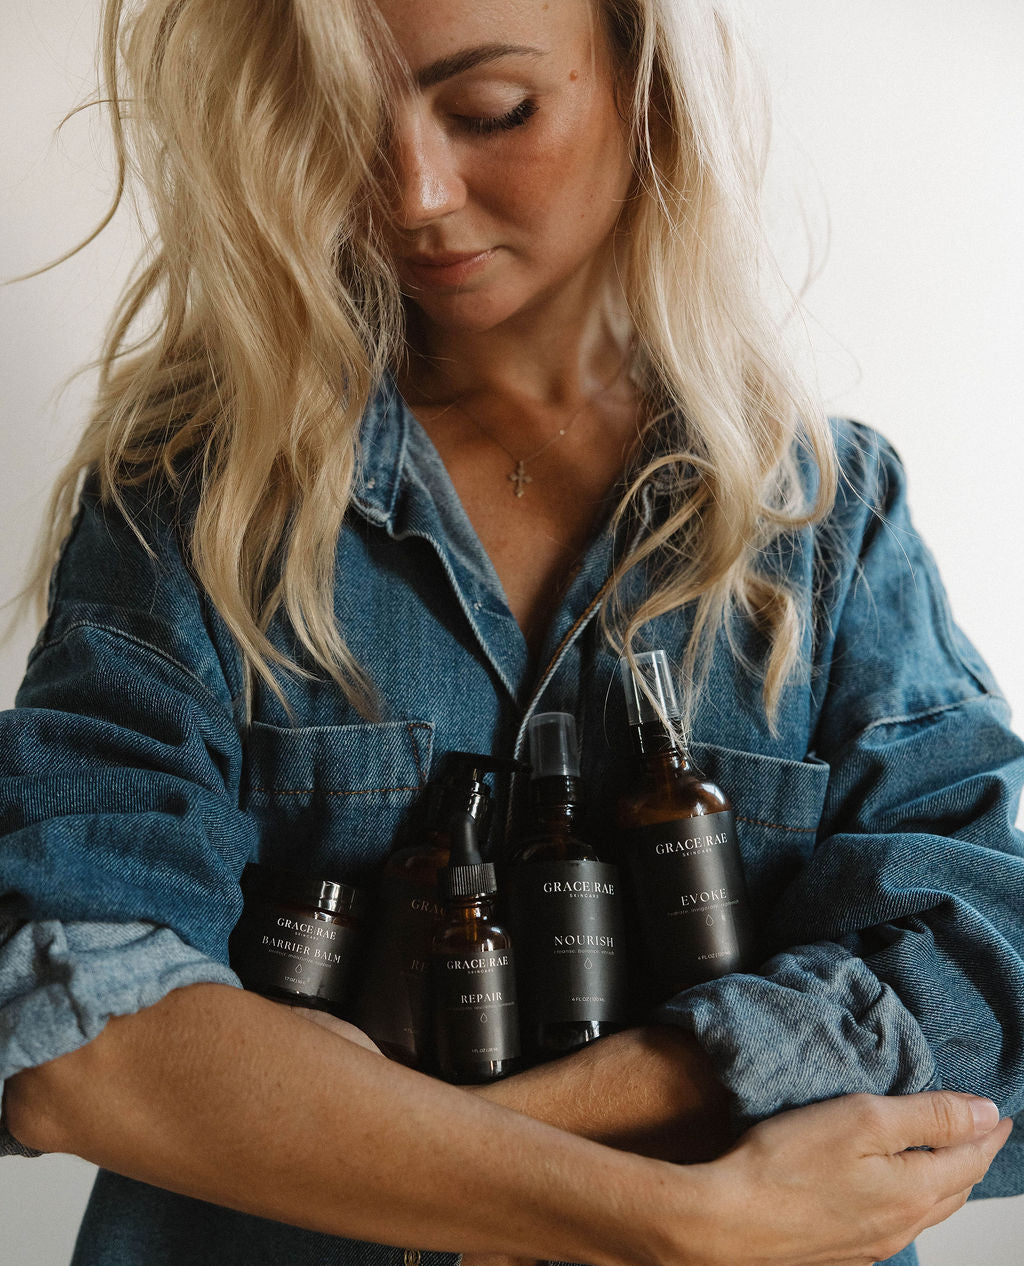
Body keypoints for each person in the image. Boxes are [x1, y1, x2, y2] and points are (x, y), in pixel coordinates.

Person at [1, 1, 1021, 1264]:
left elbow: (979, 972)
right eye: (339, 125)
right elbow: (74, 1028)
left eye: (493, 112)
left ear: (638, 81)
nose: (416, 193)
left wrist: (364, 1135)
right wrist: (674, 1216)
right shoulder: (189, 506)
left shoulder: (824, 516)